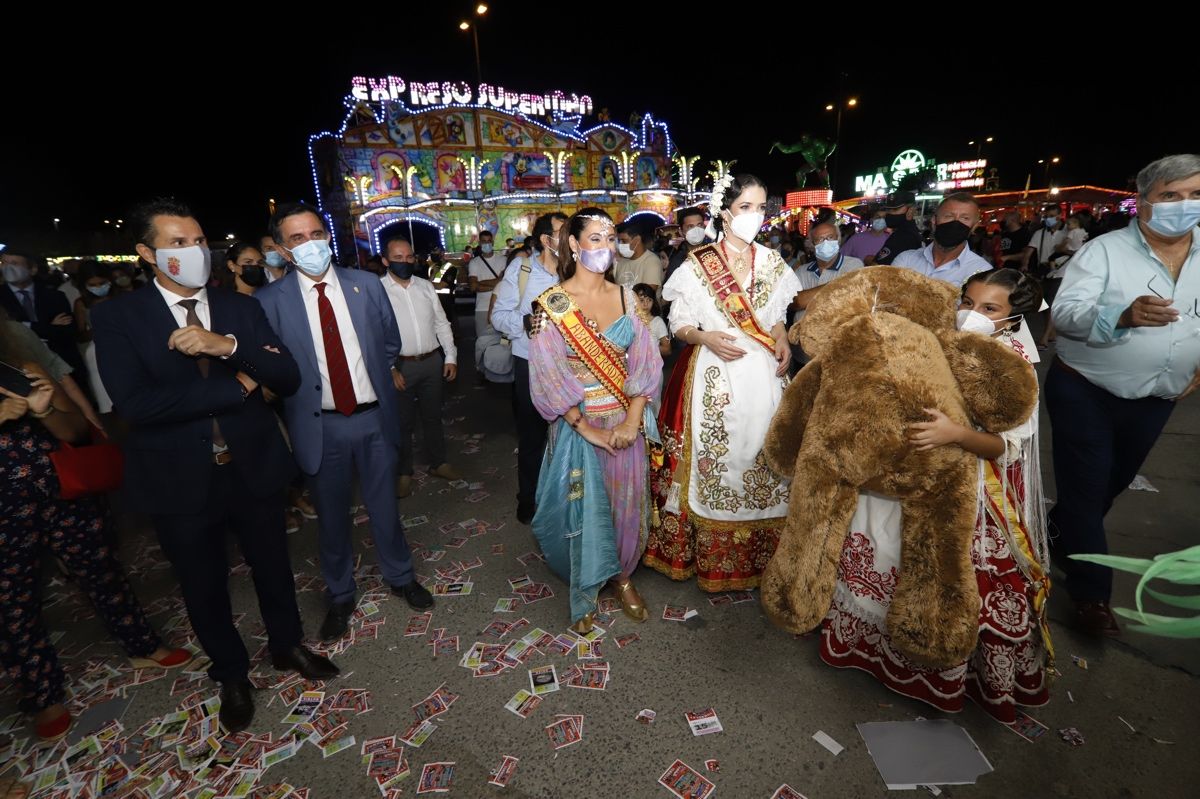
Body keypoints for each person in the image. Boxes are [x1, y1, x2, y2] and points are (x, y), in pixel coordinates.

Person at [92, 198, 336, 734]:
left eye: (199, 241)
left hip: (253, 464)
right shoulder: (118, 317)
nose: (195, 251)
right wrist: (238, 388)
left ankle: (287, 645)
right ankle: (231, 673)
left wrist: (225, 347)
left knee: (273, 564)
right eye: (178, 243)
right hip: (178, 477)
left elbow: (286, 374)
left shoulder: (239, 309)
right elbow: (135, 406)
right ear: (145, 253)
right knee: (203, 583)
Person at [819, 268, 1051, 724]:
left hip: (971, 490)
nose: (971, 315)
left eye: (989, 309)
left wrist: (955, 434)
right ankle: (875, 652)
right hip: (911, 472)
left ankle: (945, 670)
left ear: (1013, 317)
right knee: (885, 552)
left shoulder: (1015, 366)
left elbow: (1005, 448)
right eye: (968, 302)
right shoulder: (941, 339)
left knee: (947, 571)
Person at [254, 202, 433, 644]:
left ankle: (400, 575)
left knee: (385, 507)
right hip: (321, 425)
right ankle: (339, 593)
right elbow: (271, 366)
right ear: (282, 248)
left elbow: (388, 339)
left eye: (316, 233)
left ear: (328, 236)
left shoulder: (365, 285)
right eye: (297, 238)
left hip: (373, 417)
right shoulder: (268, 302)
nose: (311, 243)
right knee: (331, 517)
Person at [0, 341, 192, 742]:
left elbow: (73, 430)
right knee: (14, 604)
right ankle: (42, 695)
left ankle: (141, 645)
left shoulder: (18, 362)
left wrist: (45, 409)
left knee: (102, 568)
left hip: (62, 488)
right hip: (5, 512)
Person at [1047, 154, 1200, 636]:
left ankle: (1056, 531)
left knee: (1108, 484)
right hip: (1084, 389)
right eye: (1171, 195)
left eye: (1195, 195)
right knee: (1088, 489)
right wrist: (1122, 314)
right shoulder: (1104, 251)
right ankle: (1091, 594)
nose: (1184, 205)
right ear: (1144, 202)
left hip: (1158, 397)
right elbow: (1066, 314)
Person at [643, 174, 800, 591]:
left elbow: (775, 319)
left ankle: (767, 558)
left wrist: (782, 339)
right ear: (724, 212)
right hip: (715, 376)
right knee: (718, 462)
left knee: (765, 456)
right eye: (746, 207)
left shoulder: (772, 262)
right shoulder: (698, 264)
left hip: (765, 378)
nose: (755, 216)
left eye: (761, 207)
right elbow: (680, 325)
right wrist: (705, 337)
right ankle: (709, 556)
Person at [527, 208, 663, 632]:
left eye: (611, 238)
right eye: (596, 239)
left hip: (625, 421)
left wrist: (629, 423)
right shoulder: (552, 305)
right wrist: (588, 429)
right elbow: (546, 372)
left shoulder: (628, 299)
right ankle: (585, 585)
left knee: (625, 504)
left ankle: (622, 577)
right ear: (573, 244)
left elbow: (646, 364)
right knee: (582, 507)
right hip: (577, 427)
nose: (606, 247)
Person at [490, 212, 567, 524]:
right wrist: (524, 321)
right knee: (533, 435)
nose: (570, 238)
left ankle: (565, 499)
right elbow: (498, 316)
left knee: (570, 434)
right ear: (547, 240)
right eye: (563, 232)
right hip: (530, 363)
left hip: (569, 365)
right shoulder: (521, 269)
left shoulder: (577, 271)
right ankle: (529, 499)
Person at [379, 236, 460, 498]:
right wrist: (389, 368)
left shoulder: (425, 286)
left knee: (433, 415)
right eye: (397, 258)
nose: (404, 262)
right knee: (402, 422)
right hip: (401, 365)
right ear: (385, 261)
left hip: (431, 362)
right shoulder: (377, 291)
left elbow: (441, 323)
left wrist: (450, 357)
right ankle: (404, 472)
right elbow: (374, 334)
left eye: (409, 257)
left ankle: (439, 463)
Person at [789, 222, 866, 368]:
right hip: (804, 353)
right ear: (812, 244)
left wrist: (806, 297)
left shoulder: (854, 265)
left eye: (830, 238)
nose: (826, 243)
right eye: (820, 239)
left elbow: (849, 297)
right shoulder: (802, 271)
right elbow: (795, 302)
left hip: (838, 351)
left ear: (838, 239)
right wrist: (839, 285)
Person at [1, 250, 86, 380]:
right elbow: (9, 332)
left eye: (14, 263)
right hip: (23, 370)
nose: (8, 267)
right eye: (4, 263)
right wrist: (47, 327)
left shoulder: (55, 296)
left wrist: (25, 325)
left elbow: (67, 330)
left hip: (64, 366)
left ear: (32, 269)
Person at [892, 193, 991, 287]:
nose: (955, 223)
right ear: (934, 221)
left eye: (965, 218)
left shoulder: (982, 272)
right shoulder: (906, 260)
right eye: (948, 216)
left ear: (974, 227)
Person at [467, 230, 506, 337]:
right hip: (482, 308)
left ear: (492, 243)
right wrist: (498, 282)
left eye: (489, 241)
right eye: (484, 241)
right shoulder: (474, 262)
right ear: (480, 243)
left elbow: (506, 283)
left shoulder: (503, 260)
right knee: (482, 342)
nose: (487, 244)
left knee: (503, 343)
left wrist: (480, 284)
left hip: (501, 307)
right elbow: (473, 287)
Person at [870, 191, 921, 266]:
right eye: (888, 210)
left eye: (895, 210)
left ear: (910, 211)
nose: (890, 213)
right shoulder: (910, 232)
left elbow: (878, 269)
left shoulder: (903, 236)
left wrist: (868, 260)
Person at [614, 216, 664, 292]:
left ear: (637, 240)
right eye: (619, 241)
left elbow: (646, 296)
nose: (620, 244)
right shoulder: (621, 261)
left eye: (624, 241)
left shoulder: (651, 262)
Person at [665, 207, 709, 287]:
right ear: (681, 232)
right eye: (690, 226)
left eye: (700, 225)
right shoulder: (677, 262)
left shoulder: (714, 251)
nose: (696, 230)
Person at [1026, 205, 1066, 276]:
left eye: (1051, 216)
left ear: (1059, 216)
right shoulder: (1039, 233)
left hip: (1063, 270)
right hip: (1044, 270)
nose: (1048, 219)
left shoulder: (1069, 232)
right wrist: (1024, 264)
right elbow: (1028, 252)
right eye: (1046, 217)